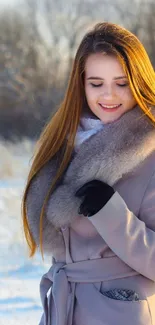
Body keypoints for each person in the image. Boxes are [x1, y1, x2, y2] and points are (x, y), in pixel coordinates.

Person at [22, 22, 155, 325]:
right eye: (96, 83)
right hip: (64, 307)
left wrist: (110, 214)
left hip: (122, 313)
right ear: (80, 85)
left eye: (122, 83)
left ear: (139, 82)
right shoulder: (63, 146)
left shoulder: (151, 149)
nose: (109, 95)